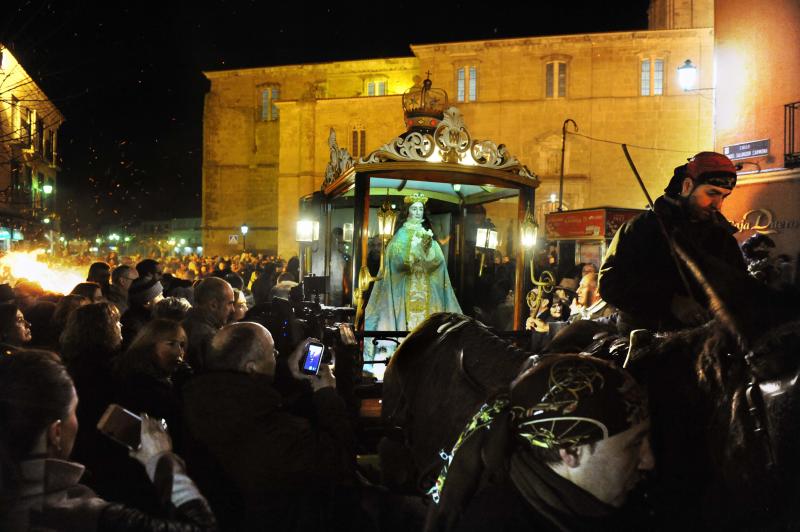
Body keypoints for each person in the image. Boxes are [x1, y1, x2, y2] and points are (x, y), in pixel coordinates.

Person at [425, 354, 653, 532]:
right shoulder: (497, 523)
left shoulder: (621, 507)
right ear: (571, 451)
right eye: (634, 444)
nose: (648, 461)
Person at [0, 349, 216, 530]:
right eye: (74, 411)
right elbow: (201, 527)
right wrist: (162, 460)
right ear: (56, 432)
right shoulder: (76, 515)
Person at [181, 323, 357, 531]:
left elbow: (248, 392)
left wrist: (287, 371)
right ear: (251, 367)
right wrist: (326, 395)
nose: (277, 354)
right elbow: (339, 459)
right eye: (272, 352)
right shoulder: (276, 432)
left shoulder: (193, 399)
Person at [599, 151, 746, 332]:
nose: (718, 204)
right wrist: (669, 301)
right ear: (687, 186)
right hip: (646, 335)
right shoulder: (642, 228)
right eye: (712, 193)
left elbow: (739, 287)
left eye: (724, 196)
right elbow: (610, 283)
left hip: (707, 336)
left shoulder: (722, 237)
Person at [364, 193, 461, 369]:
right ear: (407, 211)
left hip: (428, 293)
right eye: (414, 209)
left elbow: (438, 264)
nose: (417, 212)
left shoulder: (428, 236)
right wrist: (414, 255)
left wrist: (426, 253)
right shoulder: (400, 236)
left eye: (420, 209)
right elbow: (396, 264)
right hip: (404, 293)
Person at [181, 277, 235, 370]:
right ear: (213, 305)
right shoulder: (210, 338)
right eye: (229, 303)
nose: (233, 310)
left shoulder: (181, 326)